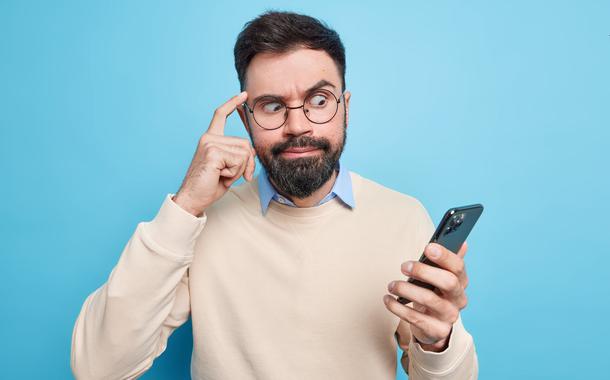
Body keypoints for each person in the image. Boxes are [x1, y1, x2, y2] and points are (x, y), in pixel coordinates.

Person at [71, 10, 478, 380]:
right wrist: (185, 207)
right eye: (271, 106)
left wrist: (438, 341)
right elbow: (98, 368)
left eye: (319, 100)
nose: (298, 126)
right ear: (246, 118)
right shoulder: (201, 221)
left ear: (345, 107)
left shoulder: (403, 216)